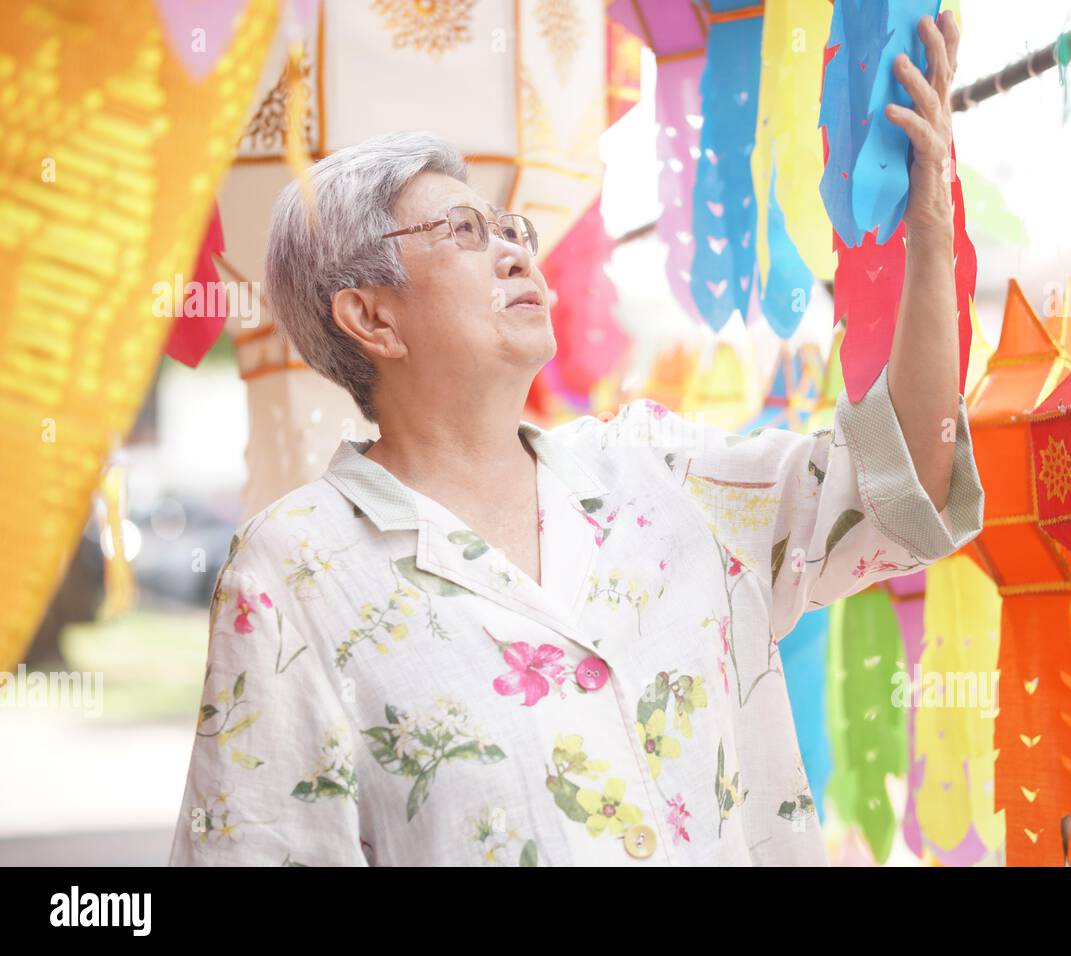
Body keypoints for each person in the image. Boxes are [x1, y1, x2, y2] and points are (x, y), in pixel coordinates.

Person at [168, 12, 980, 865]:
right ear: (370, 316)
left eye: (512, 229)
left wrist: (928, 235)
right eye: (463, 232)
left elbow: (903, 489)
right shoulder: (295, 569)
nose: (519, 254)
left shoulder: (664, 472)